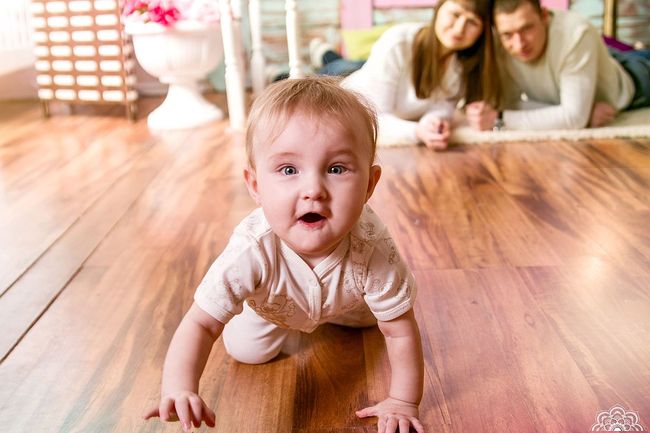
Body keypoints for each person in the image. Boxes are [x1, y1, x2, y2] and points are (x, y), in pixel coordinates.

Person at [142, 77, 425, 433]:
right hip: (274, 307)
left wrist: (403, 401)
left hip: (350, 299)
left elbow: (400, 333)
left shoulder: (373, 247)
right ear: (256, 185)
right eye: (289, 170)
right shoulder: (250, 250)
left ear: (369, 185)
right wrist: (179, 388)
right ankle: (273, 320)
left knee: (379, 318)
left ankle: (346, 314)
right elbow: (201, 323)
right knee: (246, 351)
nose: (313, 190)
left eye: (336, 169)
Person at [465, 0, 650, 131]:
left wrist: (499, 119)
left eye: (527, 28)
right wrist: (578, 114)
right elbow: (511, 104)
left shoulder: (575, 33)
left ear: (544, 16)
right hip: (587, 61)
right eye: (507, 35)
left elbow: (574, 118)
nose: (519, 44)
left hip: (634, 76)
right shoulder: (497, 43)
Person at [340, 0, 500, 149]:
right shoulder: (398, 42)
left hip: (376, 82)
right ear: (439, 8)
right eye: (455, 14)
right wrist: (417, 132)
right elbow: (374, 118)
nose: (459, 29)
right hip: (344, 98)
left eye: (472, 22)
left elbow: (443, 107)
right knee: (337, 66)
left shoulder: (464, 65)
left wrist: (433, 123)